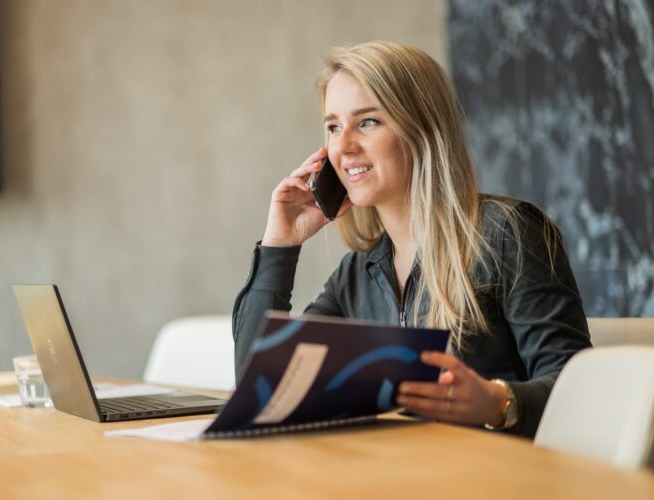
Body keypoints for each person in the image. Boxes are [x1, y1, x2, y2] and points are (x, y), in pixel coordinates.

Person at [232, 41, 592, 438]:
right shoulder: (358, 272)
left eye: (367, 121)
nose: (344, 145)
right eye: (333, 126)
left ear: (420, 129)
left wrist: (496, 401)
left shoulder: (508, 233)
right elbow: (260, 388)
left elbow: (579, 386)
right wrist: (279, 246)